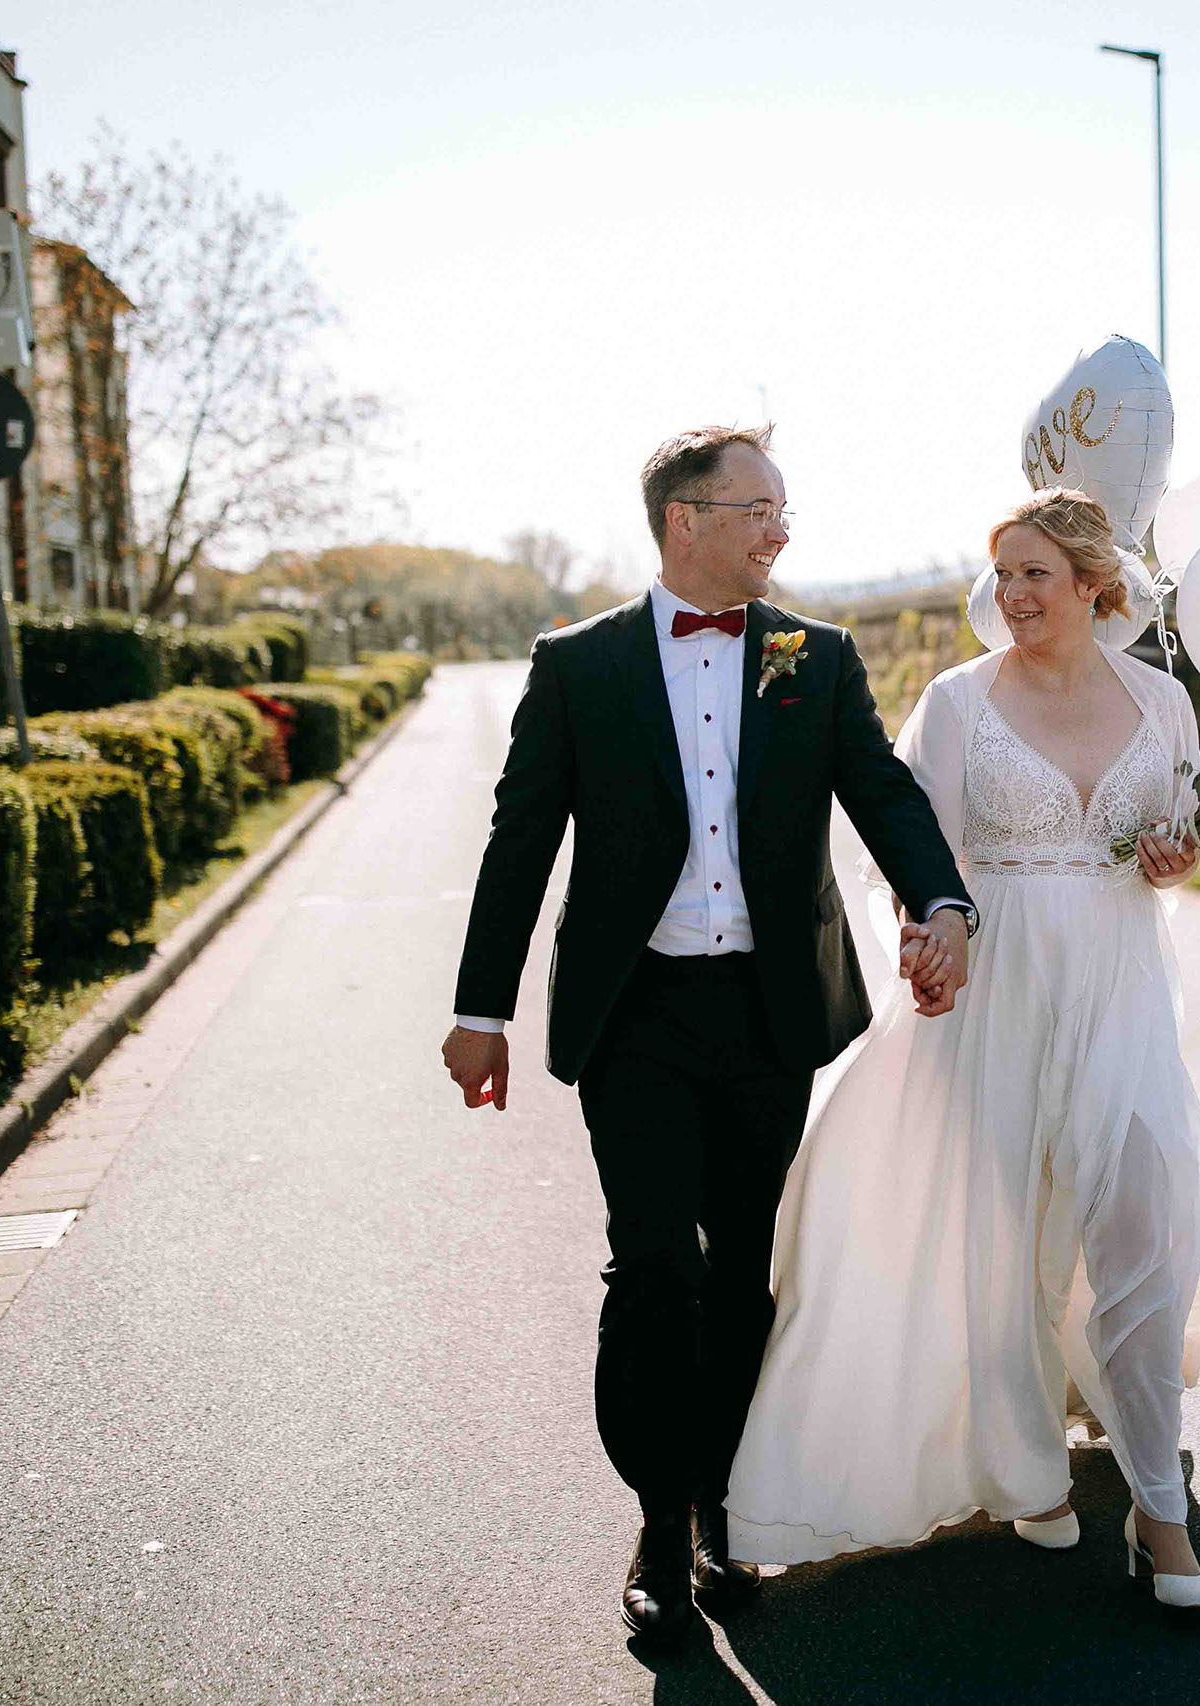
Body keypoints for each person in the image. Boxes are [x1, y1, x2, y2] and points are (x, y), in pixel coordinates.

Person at [439, 424, 978, 1646]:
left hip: (768, 1010)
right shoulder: (579, 665)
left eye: (783, 509)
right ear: (685, 519)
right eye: (759, 508)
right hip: (634, 1015)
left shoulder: (813, 656)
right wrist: (481, 1010)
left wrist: (939, 900)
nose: (780, 530)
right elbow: (519, 842)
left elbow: (881, 790)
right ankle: (654, 1518)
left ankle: (721, 1498)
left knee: (740, 1266)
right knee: (652, 1271)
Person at [726, 487, 1200, 1609]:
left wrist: (1174, 859)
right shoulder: (955, 704)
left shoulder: (1163, 701)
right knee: (1000, 1242)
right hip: (994, 993)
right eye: (1001, 575)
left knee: (1146, 1229)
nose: (1012, 595)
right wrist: (924, 937)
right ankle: (1023, 1463)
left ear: (1095, 583)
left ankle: (1158, 1506)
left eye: (1035, 573)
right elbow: (910, 850)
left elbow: (1174, 834)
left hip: (1120, 990)